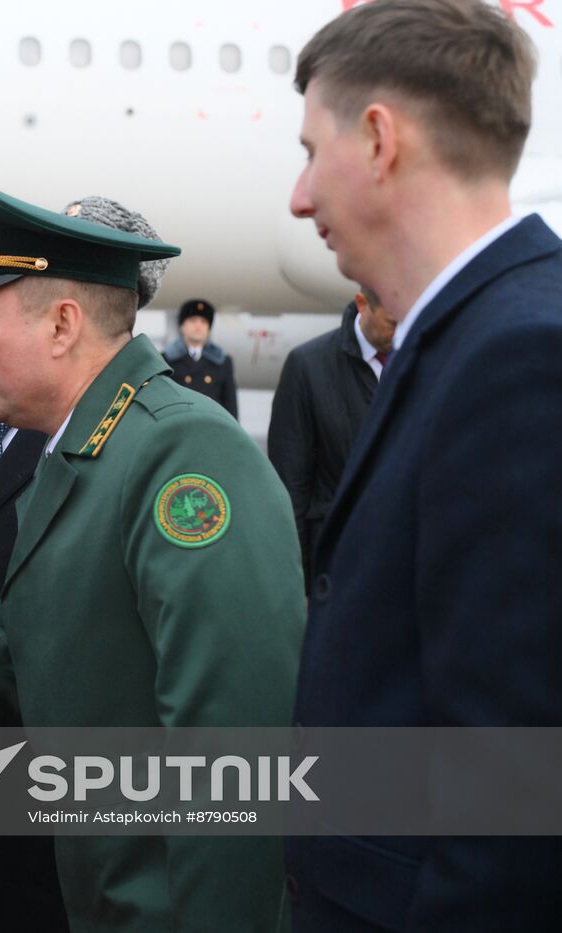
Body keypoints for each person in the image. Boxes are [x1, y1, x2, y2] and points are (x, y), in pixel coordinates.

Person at [0, 167, 306, 932]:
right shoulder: (83, 448)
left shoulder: (183, 454)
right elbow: (14, 649)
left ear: (63, 324)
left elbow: (232, 749)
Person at [285, 1, 562, 928]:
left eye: (309, 150)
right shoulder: (472, 333)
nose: (298, 196)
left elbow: (514, 796)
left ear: (377, 140)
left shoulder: (518, 356)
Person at [266, 287, 394, 585]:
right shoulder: (309, 365)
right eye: (392, 322)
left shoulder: (421, 357)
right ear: (362, 305)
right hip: (335, 564)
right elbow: (290, 485)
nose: (402, 332)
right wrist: (296, 580)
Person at [162, 298, 238, 419]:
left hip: (212, 425)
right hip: (179, 425)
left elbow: (230, 404)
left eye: (203, 322)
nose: (198, 326)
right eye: (193, 320)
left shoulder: (223, 361)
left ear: (209, 329)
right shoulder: (166, 359)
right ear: (182, 326)